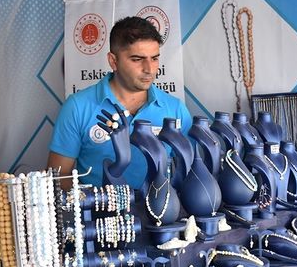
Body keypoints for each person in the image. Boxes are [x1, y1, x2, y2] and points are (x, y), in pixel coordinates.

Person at [48, 16, 191, 188]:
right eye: (137, 59)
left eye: (154, 58)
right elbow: (58, 178)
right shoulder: (77, 107)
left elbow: (191, 174)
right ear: (113, 61)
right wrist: (95, 201)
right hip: (97, 206)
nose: (149, 69)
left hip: (161, 205)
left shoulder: (175, 110)